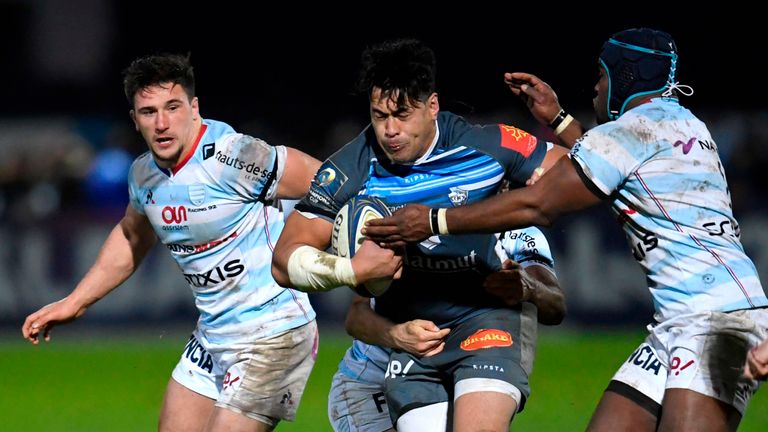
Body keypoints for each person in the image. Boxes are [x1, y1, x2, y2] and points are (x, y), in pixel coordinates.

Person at [364, 28, 768, 431]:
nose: (595, 87)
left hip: (719, 319)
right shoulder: (681, 125)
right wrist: (557, 119)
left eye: (602, 75)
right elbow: (611, 165)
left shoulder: (631, 133)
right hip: (677, 322)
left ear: (627, 77)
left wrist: (434, 220)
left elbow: (538, 203)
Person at [271, 38, 567, 431]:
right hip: (415, 334)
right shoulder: (351, 169)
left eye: (403, 114)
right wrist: (349, 270)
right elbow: (283, 259)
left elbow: (584, 176)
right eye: (379, 116)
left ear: (432, 106)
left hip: (484, 317)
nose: (390, 130)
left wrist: (560, 128)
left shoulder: (490, 146)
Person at [21, 53, 322, 432]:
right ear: (134, 120)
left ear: (194, 108)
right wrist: (75, 302)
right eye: (148, 112)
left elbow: (326, 184)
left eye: (173, 107)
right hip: (213, 337)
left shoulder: (234, 156)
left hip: (274, 331)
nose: (162, 124)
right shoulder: (144, 175)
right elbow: (132, 236)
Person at [328, 226, 564, 432]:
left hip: (463, 356)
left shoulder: (518, 234)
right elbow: (356, 315)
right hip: (370, 377)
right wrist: (397, 335)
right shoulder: (403, 221)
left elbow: (555, 306)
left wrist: (529, 287)